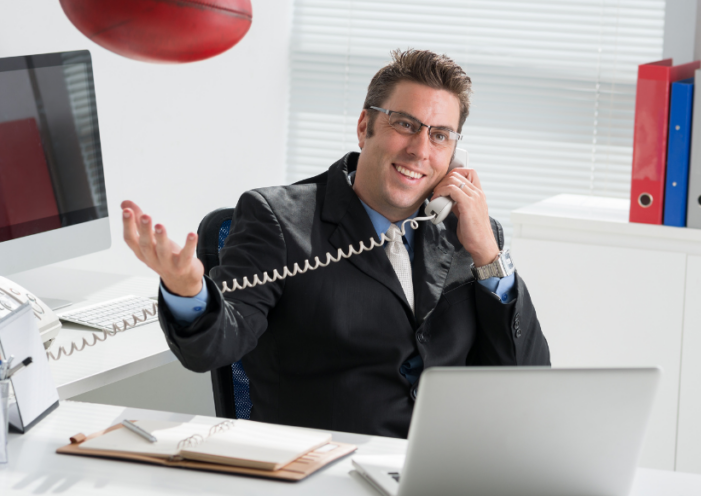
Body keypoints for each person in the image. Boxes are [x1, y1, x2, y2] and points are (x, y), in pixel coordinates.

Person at [121, 49, 550, 438]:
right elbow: (215, 346)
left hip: (442, 471)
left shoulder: (471, 234)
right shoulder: (277, 219)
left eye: (440, 135)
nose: (421, 149)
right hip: (325, 472)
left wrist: (489, 258)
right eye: (405, 125)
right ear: (365, 127)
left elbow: (526, 383)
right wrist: (189, 292)